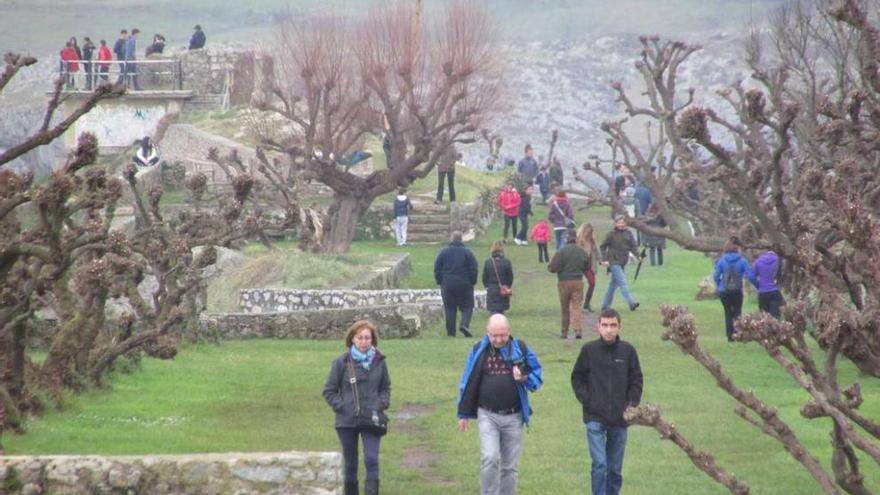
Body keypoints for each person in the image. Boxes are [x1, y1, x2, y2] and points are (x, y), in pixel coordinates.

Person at [457, 314, 543, 495]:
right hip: (487, 414)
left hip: (514, 416)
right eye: (494, 335)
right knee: (489, 457)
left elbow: (537, 377)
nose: (498, 340)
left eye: (502, 335)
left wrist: (524, 378)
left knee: (509, 467)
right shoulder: (478, 351)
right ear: (487, 333)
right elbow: (467, 381)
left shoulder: (521, 349)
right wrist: (463, 413)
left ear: (509, 332)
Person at [571, 308, 643, 495]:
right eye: (605, 325)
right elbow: (577, 378)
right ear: (598, 327)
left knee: (614, 469)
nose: (609, 330)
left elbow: (636, 380)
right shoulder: (588, 350)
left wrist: (631, 405)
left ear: (619, 327)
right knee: (600, 465)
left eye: (613, 325)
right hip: (595, 416)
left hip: (620, 419)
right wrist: (588, 400)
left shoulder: (628, 351)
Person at [322, 320, 391, 495]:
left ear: (372, 340)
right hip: (347, 420)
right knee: (351, 464)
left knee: (371, 459)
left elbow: (385, 388)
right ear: (353, 339)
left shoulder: (380, 361)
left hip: (372, 418)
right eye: (360, 338)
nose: (363, 341)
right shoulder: (341, 362)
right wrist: (342, 406)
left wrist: (381, 403)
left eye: (367, 338)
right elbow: (329, 391)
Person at [434, 231, 478, 337]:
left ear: (451, 239)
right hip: (465, 283)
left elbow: (437, 268)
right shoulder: (468, 252)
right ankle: (464, 324)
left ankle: (451, 332)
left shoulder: (443, 252)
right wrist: (472, 281)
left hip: (448, 283)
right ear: (461, 239)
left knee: (450, 308)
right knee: (467, 306)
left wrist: (440, 281)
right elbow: (474, 269)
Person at [713, 240, 758, 341]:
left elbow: (715, 276)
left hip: (724, 291)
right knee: (737, 311)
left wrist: (720, 284)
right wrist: (758, 285)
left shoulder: (722, 261)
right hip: (737, 291)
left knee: (728, 312)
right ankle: (738, 333)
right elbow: (750, 276)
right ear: (737, 249)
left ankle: (730, 336)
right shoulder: (742, 260)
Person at [549, 229, 589, 339]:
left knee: (565, 308)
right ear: (575, 239)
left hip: (563, 283)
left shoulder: (561, 251)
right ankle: (578, 330)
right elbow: (587, 266)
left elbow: (552, 268)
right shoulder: (582, 251)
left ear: (566, 239)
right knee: (576, 307)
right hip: (577, 282)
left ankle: (564, 332)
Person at [600, 216, 642, 312]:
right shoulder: (611, 234)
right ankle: (631, 303)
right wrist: (604, 259)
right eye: (619, 223)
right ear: (615, 224)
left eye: (623, 223)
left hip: (623, 261)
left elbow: (633, 246)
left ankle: (605, 305)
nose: (621, 224)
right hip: (613, 261)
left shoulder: (628, 233)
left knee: (613, 284)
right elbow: (602, 247)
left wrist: (638, 256)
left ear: (625, 224)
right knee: (622, 281)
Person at [482, 241, 514, 315]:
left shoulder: (488, 262)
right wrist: (508, 286)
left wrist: (487, 286)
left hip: (491, 289)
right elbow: (510, 277)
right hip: (503, 289)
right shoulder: (506, 262)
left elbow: (484, 277)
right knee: (501, 311)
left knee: (493, 311)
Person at [753, 250, 785, 319]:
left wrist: (758, 285)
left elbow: (753, 275)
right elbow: (782, 274)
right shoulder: (778, 260)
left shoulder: (758, 261)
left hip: (762, 292)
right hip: (775, 291)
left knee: (764, 318)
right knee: (775, 317)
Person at [576, 223, 600, 312]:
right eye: (588, 232)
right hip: (579, 266)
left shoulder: (592, 241)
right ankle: (577, 304)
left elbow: (596, 251)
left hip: (589, 265)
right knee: (578, 285)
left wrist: (601, 260)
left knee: (592, 283)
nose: (589, 234)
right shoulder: (578, 241)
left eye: (591, 232)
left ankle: (587, 303)